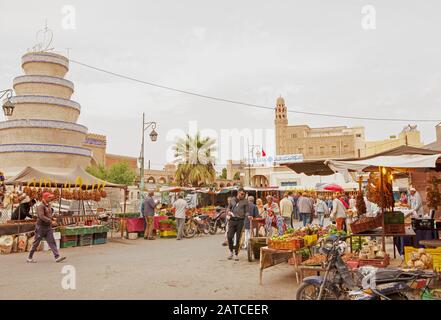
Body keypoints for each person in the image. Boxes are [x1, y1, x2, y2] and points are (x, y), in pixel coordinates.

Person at [27, 192, 66, 263]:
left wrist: (52, 219)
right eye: (49, 197)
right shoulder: (40, 206)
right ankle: (29, 257)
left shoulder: (48, 206)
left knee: (52, 242)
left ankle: (57, 257)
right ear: (45, 197)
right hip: (40, 227)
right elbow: (41, 216)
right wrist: (51, 221)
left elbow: (48, 215)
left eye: (51, 197)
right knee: (36, 243)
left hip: (48, 228)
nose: (51, 198)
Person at [226, 188, 249, 261]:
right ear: (238, 193)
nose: (243, 196)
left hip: (240, 221)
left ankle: (236, 254)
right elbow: (228, 208)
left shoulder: (245, 201)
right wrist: (228, 212)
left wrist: (248, 216)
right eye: (241, 194)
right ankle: (231, 251)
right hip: (232, 220)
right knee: (229, 236)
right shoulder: (232, 200)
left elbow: (247, 211)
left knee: (238, 238)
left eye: (244, 194)